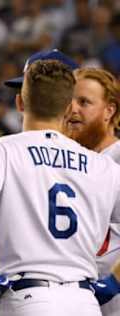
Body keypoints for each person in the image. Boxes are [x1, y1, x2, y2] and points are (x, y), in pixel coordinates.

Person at [0, 60, 120, 315]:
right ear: (68, 108)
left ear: (20, 103)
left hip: (27, 296)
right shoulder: (101, 165)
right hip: (84, 301)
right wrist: (113, 282)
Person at [63, 67, 120, 315]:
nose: (73, 109)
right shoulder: (71, 160)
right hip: (77, 297)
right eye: (69, 101)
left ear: (110, 110)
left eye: (84, 102)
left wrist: (114, 282)